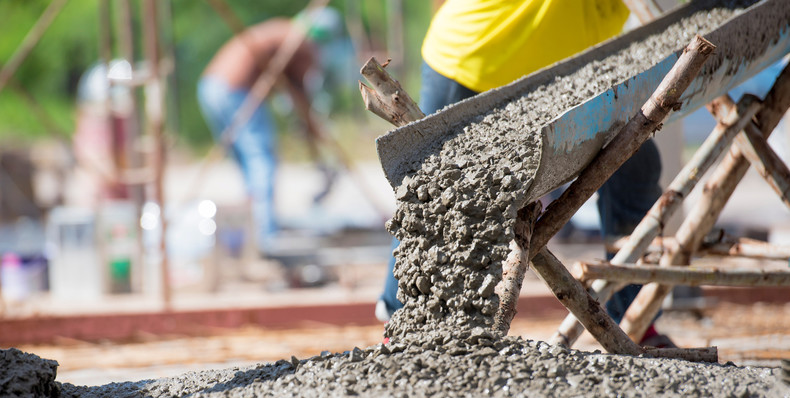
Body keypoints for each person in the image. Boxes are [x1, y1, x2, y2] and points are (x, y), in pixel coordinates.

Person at [375, 0, 673, 347]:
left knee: (635, 164)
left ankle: (636, 319)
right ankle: (404, 326)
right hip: (476, 58)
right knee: (439, 191)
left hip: (568, 70)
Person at [197, 8, 345, 256]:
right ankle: (265, 236)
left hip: (211, 87)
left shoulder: (283, 31)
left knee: (248, 165)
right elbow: (301, 95)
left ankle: (253, 228)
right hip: (235, 90)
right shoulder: (302, 43)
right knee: (261, 159)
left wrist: (309, 127)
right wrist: (315, 132)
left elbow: (294, 92)